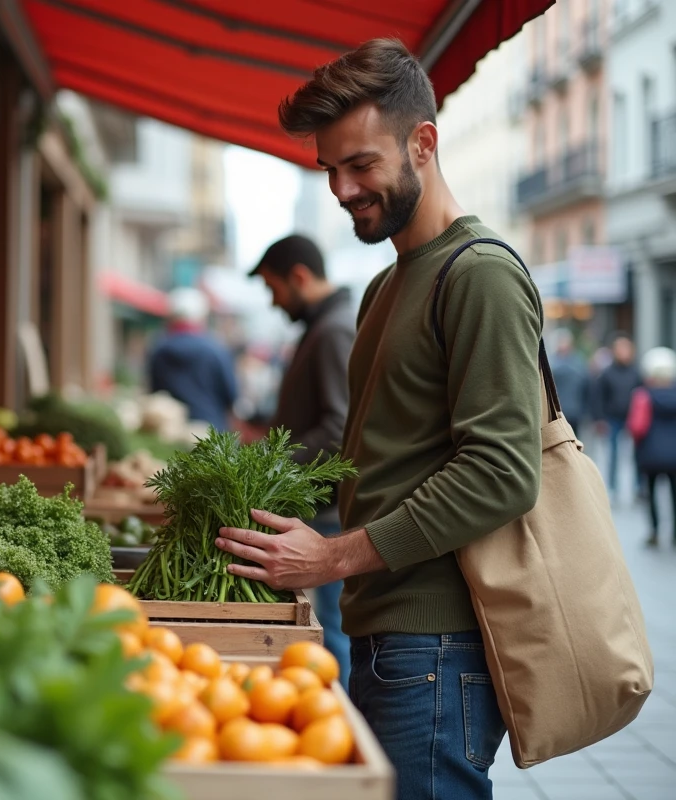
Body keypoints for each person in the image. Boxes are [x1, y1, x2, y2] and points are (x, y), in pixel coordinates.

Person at [212, 39, 543, 799]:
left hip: (437, 645)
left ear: (422, 142)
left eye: (360, 164)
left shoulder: (481, 275)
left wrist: (330, 559)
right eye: (329, 168)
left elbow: (501, 473)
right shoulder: (384, 289)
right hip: (386, 635)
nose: (340, 188)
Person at [251, 233, 355, 690]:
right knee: (328, 632)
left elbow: (339, 428)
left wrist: (265, 462)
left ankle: (342, 728)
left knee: (330, 636)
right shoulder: (324, 327)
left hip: (327, 517)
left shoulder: (333, 330)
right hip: (319, 511)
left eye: (274, 289)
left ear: (298, 277)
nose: (274, 303)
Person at [147, 287, 238, 431]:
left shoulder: (159, 350)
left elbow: (153, 391)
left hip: (172, 431)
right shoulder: (214, 349)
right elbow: (231, 394)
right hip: (211, 429)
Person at [627, 347, 676, 547]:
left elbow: (637, 427)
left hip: (650, 453)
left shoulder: (643, 396)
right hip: (674, 455)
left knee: (652, 493)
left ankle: (655, 532)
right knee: (674, 494)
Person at [594, 334, 643, 501]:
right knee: (613, 454)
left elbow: (643, 396)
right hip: (612, 418)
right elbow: (599, 397)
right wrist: (600, 418)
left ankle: (638, 488)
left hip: (633, 419)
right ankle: (613, 488)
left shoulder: (636, 372)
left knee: (636, 454)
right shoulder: (607, 373)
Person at [550, 328, 590, 438]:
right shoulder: (552, 362)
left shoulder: (578, 362)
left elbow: (585, 386)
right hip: (558, 411)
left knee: (574, 440)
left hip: (574, 410)